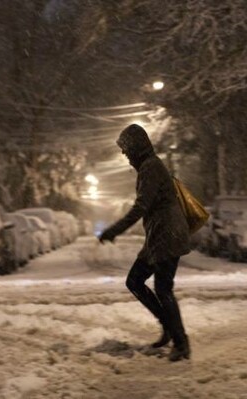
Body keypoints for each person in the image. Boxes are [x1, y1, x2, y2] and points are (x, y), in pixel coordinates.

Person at [98, 124, 191, 361]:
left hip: (166, 235)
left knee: (162, 289)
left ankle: (181, 343)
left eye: (126, 149)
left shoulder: (150, 167)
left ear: (137, 147)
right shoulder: (149, 166)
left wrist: (114, 229)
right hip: (158, 236)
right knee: (135, 281)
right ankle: (169, 328)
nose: (124, 154)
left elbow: (141, 206)